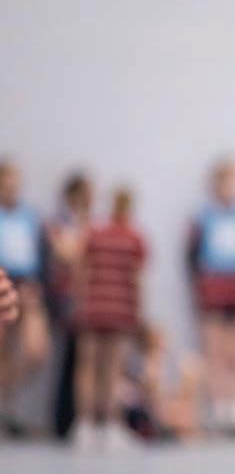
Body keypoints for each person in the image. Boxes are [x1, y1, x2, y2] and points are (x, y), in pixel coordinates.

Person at [71, 188, 147, 451]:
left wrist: (80, 301)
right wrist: (139, 312)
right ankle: (110, 425)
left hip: (92, 306)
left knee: (87, 367)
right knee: (113, 370)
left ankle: (84, 425)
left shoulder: (94, 233)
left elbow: (80, 269)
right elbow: (137, 278)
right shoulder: (134, 238)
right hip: (120, 309)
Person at [187, 160, 235, 432]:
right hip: (213, 283)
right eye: (225, 182)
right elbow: (191, 255)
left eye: (233, 182)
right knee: (215, 349)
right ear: (215, 185)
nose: (229, 188)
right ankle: (220, 404)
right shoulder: (204, 216)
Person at [0, 160, 51, 436]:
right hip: (3, 281)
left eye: (16, 182)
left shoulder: (30, 216)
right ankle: (5, 410)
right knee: (3, 350)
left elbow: (41, 252)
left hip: (28, 285)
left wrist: (39, 283)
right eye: (7, 182)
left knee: (35, 351)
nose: (12, 187)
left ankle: (5, 392)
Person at [47, 172, 94, 438]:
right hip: (67, 298)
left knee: (80, 359)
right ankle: (64, 421)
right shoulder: (60, 223)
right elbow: (67, 254)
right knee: (70, 359)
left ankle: (76, 418)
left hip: (87, 297)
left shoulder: (88, 223)